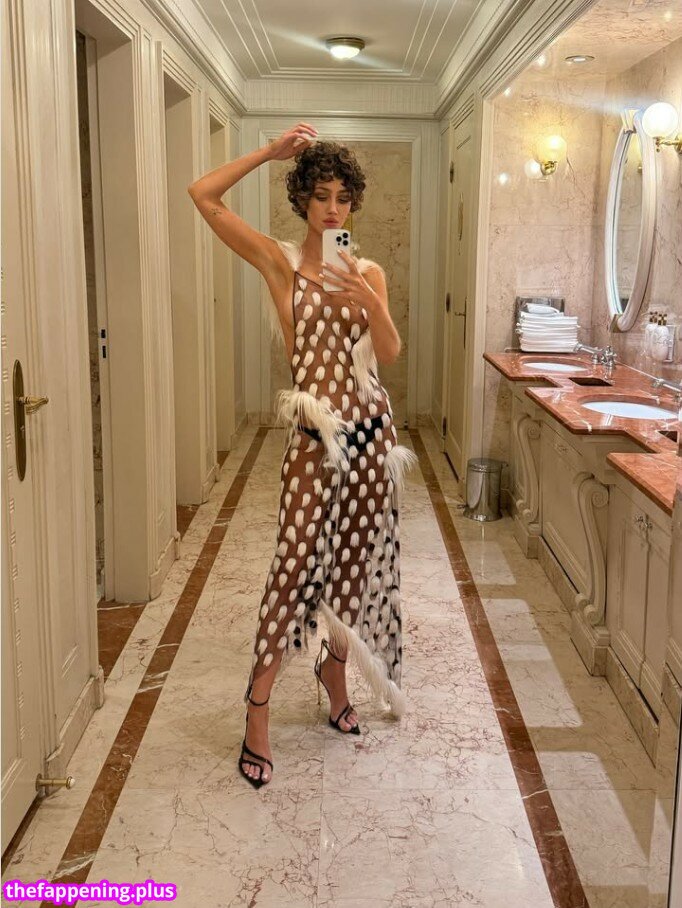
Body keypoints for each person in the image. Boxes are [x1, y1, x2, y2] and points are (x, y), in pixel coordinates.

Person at [188, 123, 416, 788]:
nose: (333, 208)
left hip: (371, 440)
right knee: (291, 573)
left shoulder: (369, 271)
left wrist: (369, 300)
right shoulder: (280, 264)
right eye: (321, 195)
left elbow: (390, 354)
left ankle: (335, 678)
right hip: (314, 444)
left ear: (353, 204)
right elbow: (203, 196)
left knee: (351, 573)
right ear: (303, 200)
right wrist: (268, 152)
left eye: (344, 197)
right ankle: (257, 708)